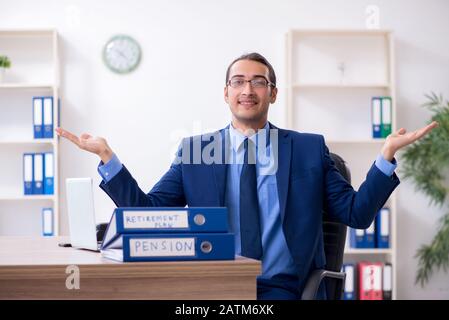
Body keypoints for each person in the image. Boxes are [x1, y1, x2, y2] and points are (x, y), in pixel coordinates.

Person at [56, 52, 438, 300]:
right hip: (214, 290)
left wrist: (386, 156)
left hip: (285, 289)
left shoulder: (307, 149)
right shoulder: (195, 152)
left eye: (258, 81)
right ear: (225, 94)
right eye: (238, 81)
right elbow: (149, 213)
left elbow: (356, 213)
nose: (248, 89)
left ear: (272, 94)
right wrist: (107, 156)